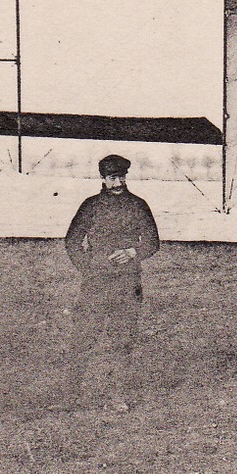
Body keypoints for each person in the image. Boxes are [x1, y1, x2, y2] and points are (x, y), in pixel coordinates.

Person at [61, 154, 161, 411]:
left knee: (122, 338)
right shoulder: (90, 206)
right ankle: (71, 397)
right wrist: (88, 266)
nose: (118, 183)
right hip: (96, 283)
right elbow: (72, 241)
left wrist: (133, 252)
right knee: (83, 337)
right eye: (112, 178)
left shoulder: (138, 205)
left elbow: (152, 241)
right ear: (103, 179)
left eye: (122, 177)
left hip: (127, 283)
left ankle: (117, 397)